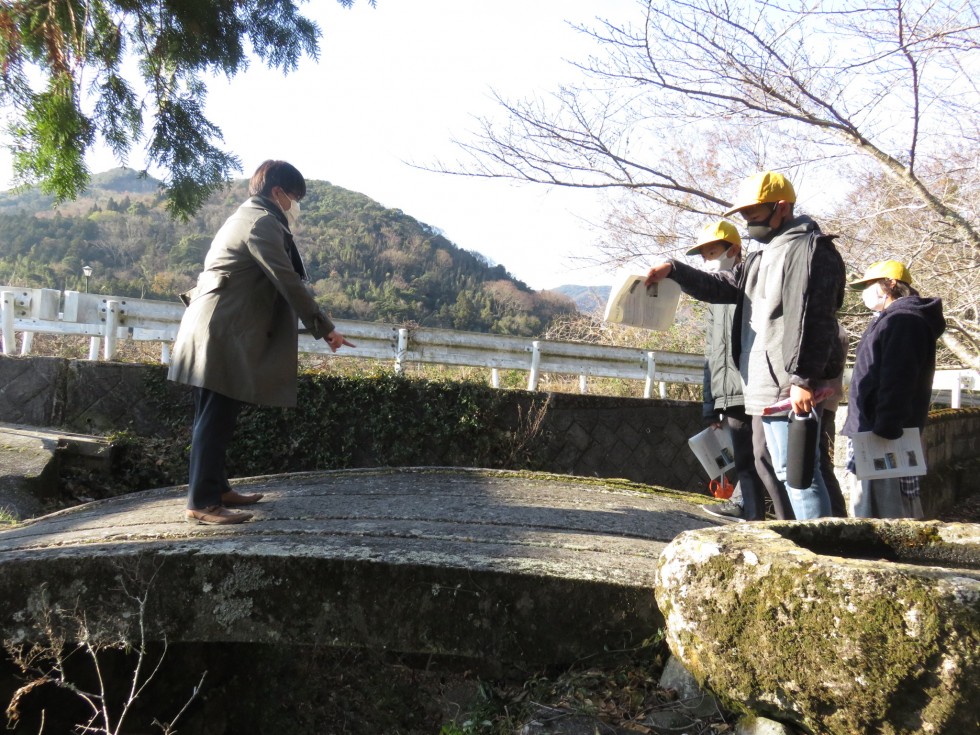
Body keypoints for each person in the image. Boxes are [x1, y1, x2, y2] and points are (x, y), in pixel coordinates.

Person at [646, 171, 845, 520]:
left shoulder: (812, 250)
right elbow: (719, 286)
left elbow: (817, 317)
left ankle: (822, 548)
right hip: (760, 383)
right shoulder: (759, 257)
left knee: (798, 472)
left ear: (781, 207)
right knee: (770, 464)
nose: (748, 222)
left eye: (754, 214)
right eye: (745, 216)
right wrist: (673, 269)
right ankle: (796, 539)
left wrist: (804, 379)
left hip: (787, 381)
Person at [169, 160, 353, 525]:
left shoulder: (247, 216)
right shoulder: (261, 223)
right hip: (220, 334)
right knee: (214, 419)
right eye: (294, 197)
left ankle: (217, 489)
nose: (295, 205)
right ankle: (202, 503)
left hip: (218, 330)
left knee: (217, 416)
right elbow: (286, 279)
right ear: (278, 192)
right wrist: (325, 327)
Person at [841, 261, 945, 519]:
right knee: (881, 505)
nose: (865, 291)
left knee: (885, 510)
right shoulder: (894, 318)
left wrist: (885, 426)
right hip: (877, 428)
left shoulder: (903, 320)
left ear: (890, 284)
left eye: (869, 284)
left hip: (883, 433)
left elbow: (898, 378)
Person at [685, 221, 773, 522]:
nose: (708, 260)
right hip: (730, 392)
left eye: (713, 252)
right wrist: (710, 407)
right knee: (746, 463)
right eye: (704, 256)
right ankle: (751, 516)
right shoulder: (713, 297)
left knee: (762, 461)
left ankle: (759, 517)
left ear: (734, 249)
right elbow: (712, 354)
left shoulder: (752, 284)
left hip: (756, 385)